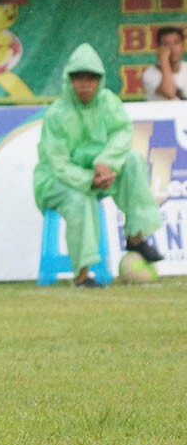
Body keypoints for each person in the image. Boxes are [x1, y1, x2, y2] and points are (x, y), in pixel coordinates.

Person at [34, 42, 165, 288]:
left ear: (100, 81)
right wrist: (88, 179)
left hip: (100, 173)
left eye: (91, 78)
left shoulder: (108, 102)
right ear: (69, 80)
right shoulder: (57, 114)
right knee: (80, 198)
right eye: (79, 78)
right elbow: (58, 162)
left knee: (134, 161)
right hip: (58, 181)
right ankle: (82, 276)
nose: (85, 84)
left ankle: (136, 237)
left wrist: (106, 163)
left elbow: (123, 133)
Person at [141, 26, 186, 101]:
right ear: (159, 48)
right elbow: (169, 92)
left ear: (182, 46)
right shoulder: (150, 73)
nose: (172, 48)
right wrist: (164, 60)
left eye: (176, 43)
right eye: (166, 44)